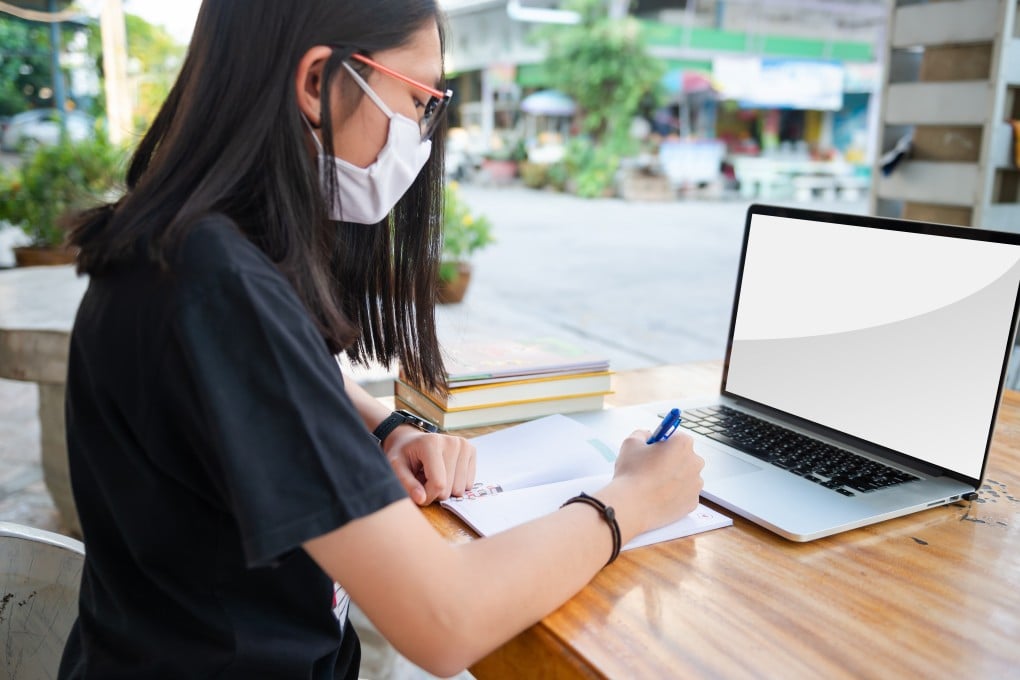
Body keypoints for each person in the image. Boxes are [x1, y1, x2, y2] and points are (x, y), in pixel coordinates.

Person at [58, 1, 705, 678]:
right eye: (420, 98)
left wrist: (387, 428)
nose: (423, 133)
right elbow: (445, 618)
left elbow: (301, 372)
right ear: (316, 83)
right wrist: (629, 501)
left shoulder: (206, 245)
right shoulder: (216, 288)